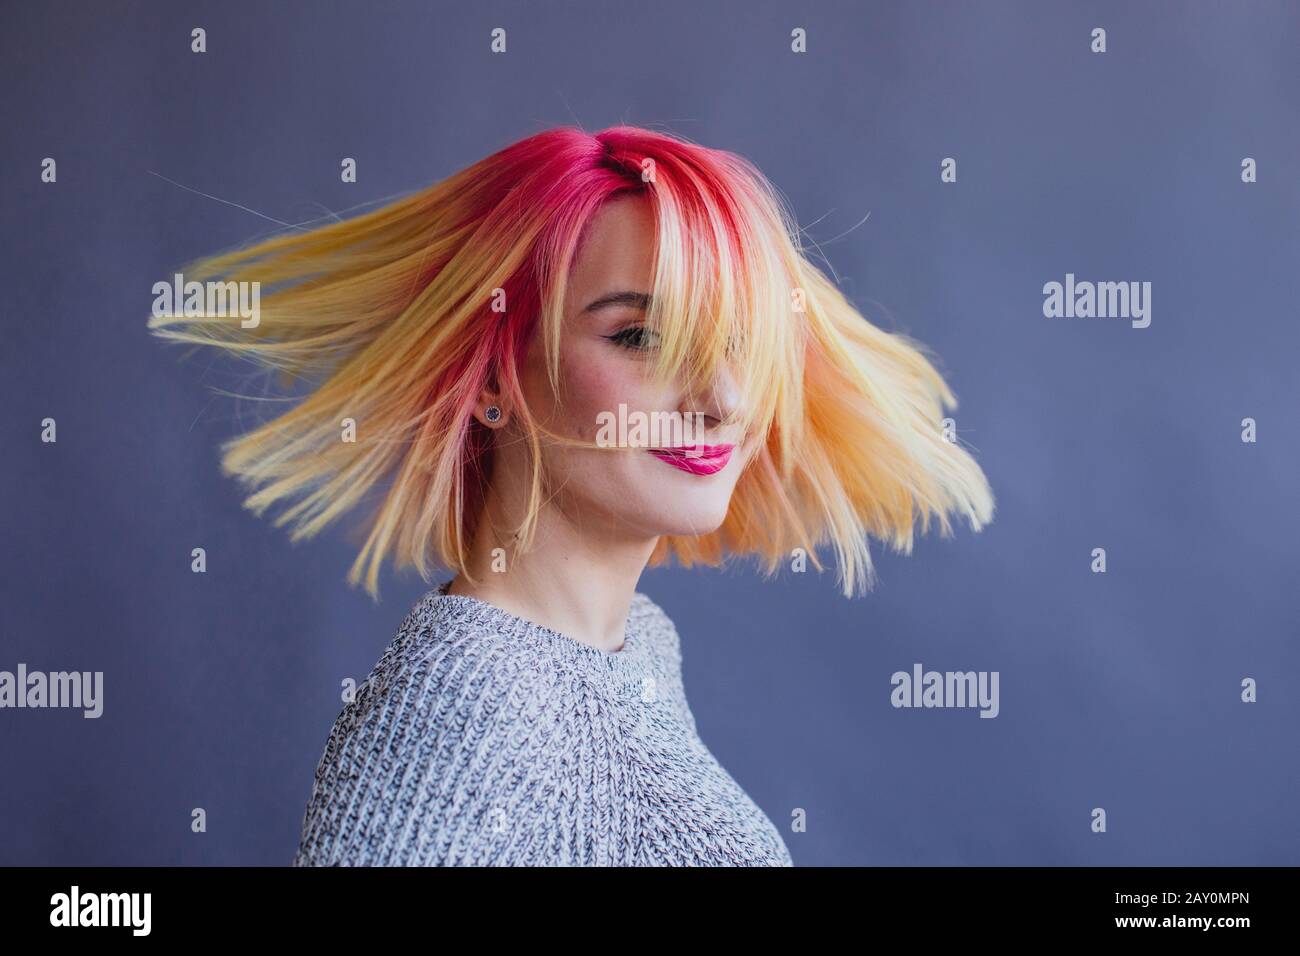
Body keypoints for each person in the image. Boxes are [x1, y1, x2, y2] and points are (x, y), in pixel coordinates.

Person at [149, 125, 994, 865]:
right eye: (641, 335)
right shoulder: (458, 712)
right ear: (494, 377)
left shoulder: (638, 649)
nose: (725, 400)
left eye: (741, 341)